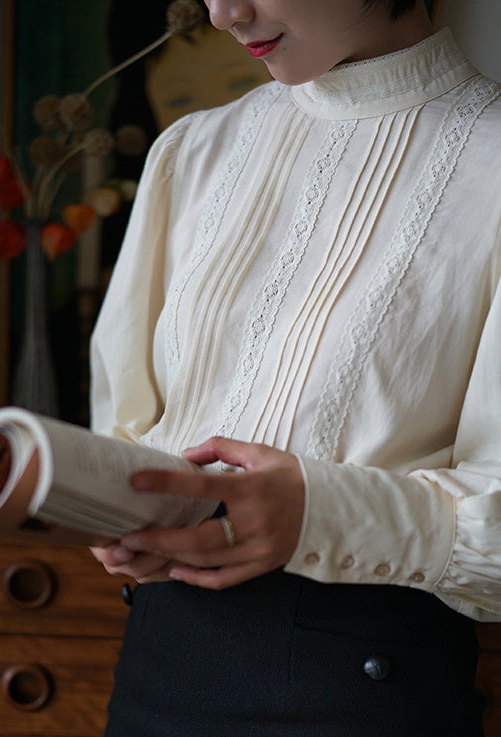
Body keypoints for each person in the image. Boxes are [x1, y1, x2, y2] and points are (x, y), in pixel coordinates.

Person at [90, 1, 501, 734]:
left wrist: (318, 511)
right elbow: (128, 421)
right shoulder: (192, 152)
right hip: (154, 668)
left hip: (361, 686)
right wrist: (113, 505)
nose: (224, 13)